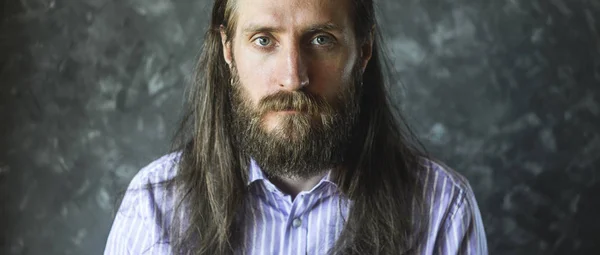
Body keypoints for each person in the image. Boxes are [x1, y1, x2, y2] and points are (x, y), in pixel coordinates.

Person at [104, 0, 488, 254]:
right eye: (264, 40)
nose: (293, 77)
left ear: (364, 50)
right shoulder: (155, 204)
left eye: (321, 39)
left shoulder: (442, 208)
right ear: (227, 49)